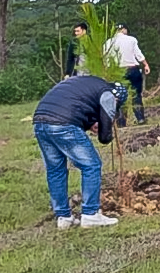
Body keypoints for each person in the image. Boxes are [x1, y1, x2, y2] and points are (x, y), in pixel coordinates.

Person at [33, 76, 126, 229]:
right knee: (91, 165)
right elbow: (105, 137)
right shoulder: (110, 93)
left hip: (40, 121)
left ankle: (63, 217)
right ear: (118, 99)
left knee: (55, 170)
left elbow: (74, 104)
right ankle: (91, 214)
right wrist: (105, 129)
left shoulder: (90, 85)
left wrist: (89, 124)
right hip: (63, 123)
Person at [105, 24, 150, 125]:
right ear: (124, 30)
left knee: (120, 96)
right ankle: (140, 118)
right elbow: (138, 54)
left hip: (117, 71)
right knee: (136, 94)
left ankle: (121, 121)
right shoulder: (131, 40)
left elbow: (106, 59)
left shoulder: (108, 43)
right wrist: (146, 65)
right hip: (132, 69)